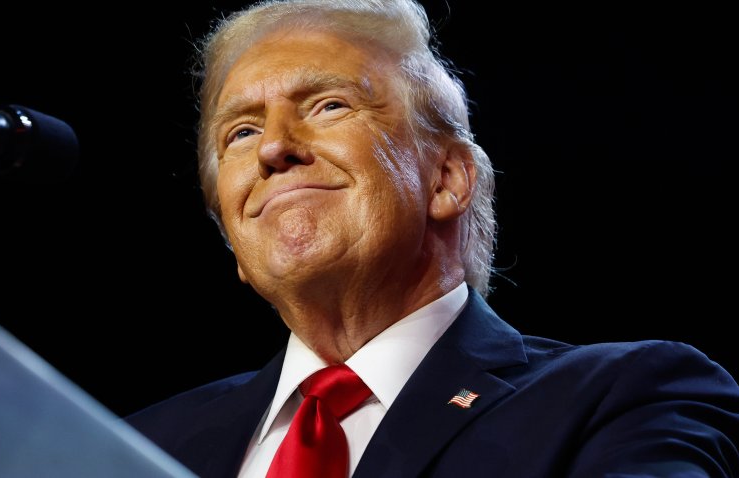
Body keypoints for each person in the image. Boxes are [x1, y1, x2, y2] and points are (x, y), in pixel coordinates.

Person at [126, 0, 739, 476]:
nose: (273, 147)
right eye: (240, 132)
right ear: (233, 234)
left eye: (328, 106)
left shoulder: (619, 400)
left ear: (447, 179)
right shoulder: (136, 445)